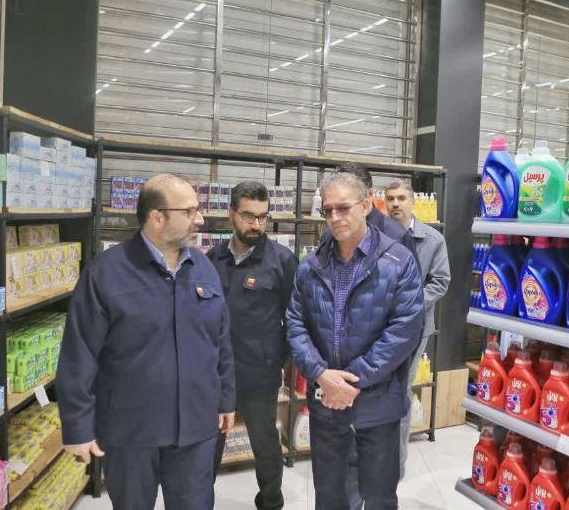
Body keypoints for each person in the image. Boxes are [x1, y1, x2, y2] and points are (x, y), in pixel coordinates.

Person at [56, 174, 236, 510]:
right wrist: (78, 427)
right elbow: (79, 355)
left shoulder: (204, 268)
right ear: (157, 217)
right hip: (131, 431)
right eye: (189, 211)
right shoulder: (106, 274)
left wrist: (226, 399)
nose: (199, 219)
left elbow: (221, 341)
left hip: (196, 426)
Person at [286, 172, 424, 510]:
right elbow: (295, 324)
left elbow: (404, 330)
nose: (335, 217)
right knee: (330, 497)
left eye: (343, 208)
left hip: (377, 405)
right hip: (326, 405)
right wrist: (321, 374)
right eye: (328, 210)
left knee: (378, 496)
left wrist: (350, 382)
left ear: (365, 205)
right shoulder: (311, 266)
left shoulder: (398, 261)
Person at [207, 181, 298, 510]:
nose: (256, 224)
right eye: (248, 216)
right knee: (208, 446)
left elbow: (296, 320)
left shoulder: (282, 261)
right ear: (232, 214)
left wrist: (274, 357)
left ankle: (271, 502)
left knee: (265, 444)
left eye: (262, 217)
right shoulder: (213, 259)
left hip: (259, 373)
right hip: (215, 375)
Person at [385, 180, 451, 478]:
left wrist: (408, 304)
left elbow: (440, 282)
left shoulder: (433, 240)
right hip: (378, 328)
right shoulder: (375, 236)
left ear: (412, 202)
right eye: (390, 199)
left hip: (414, 329)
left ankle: (395, 468)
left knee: (400, 392)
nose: (395, 204)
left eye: (401, 198)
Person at [332, 163, 420, 269]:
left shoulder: (397, 235)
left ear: (369, 194)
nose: (336, 214)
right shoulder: (332, 233)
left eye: (348, 197)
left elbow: (411, 278)